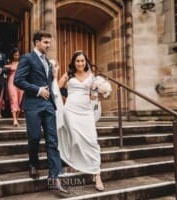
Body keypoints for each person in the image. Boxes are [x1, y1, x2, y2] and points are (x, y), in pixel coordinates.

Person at [14, 30, 68, 194]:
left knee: (53, 140)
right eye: (45, 42)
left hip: (48, 105)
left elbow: (50, 83)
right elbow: (18, 80)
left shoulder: (48, 61)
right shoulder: (27, 58)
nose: (48, 45)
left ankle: (54, 177)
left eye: (49, 42)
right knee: (35, 136)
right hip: (33, 104)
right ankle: (33, 164)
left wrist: (52, 77)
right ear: (36, 42)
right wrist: (37, 90)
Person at [56, 50, 105, 191]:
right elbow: (57, 87)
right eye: (77, 61)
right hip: (70, 110)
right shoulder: (69, 74)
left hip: (86, 111)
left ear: (86, 62)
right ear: (74, 62)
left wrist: (99, 94)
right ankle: (75, 163)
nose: (80, 63)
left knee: (92, 141)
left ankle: (97, 175)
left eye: (82, 61)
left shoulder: (92, 77)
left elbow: (93, 97)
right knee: (75, 139)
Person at [4, 47, 23, 126]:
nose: (17, 56)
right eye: (15, 55)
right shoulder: (9, 62)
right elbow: (4, 68)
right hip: (11, 82)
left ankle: (17, 119)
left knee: (20, 100)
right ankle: (14, 119)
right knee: (13, 99)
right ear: (12, 55)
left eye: (18, 55)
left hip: (21, 83)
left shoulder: (22, 63)